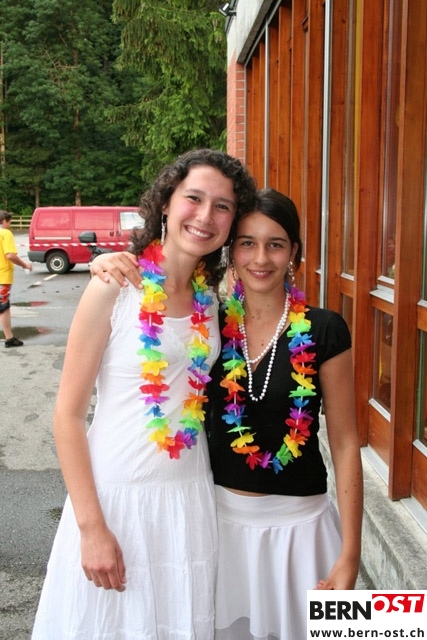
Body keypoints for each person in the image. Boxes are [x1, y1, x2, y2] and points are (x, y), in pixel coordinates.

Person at [91, 188, 363, 640]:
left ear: (294, 253)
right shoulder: (209, 325)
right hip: (219, 529)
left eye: (275, 244)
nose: (261, 258)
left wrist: (351, 554)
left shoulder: (325, 328)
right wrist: (110, 261)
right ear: (231, 251)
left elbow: (347, 442)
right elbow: (162, 293)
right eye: (247, 243)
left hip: (304, 529)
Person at [31, 148, 257, 640]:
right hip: (117, 500)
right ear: (166, 203)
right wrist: (92, 528)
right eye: (194, 198)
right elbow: (67, 416)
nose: (206, 216)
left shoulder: (210, 299)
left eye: (222, 206)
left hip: (188, 497)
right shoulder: (114, 287)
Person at [0, 210, 33, 347]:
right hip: (3, 276)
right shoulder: (5, 233)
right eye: (9, 222)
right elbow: (10, 255)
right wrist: (25, 264)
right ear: (4, 221)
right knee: (3, 306)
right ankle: (9, 338)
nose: (10, 225)